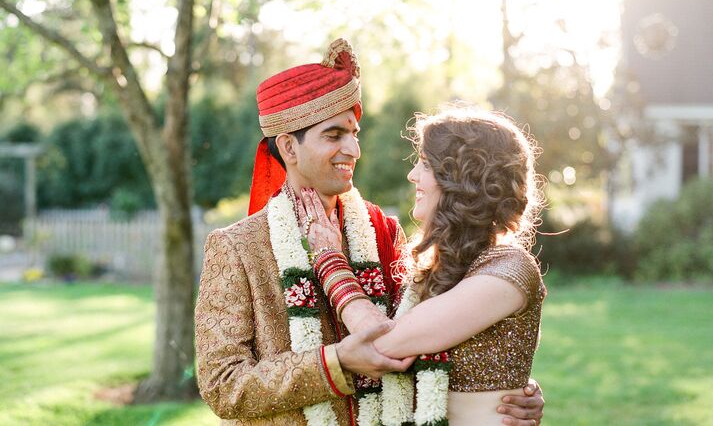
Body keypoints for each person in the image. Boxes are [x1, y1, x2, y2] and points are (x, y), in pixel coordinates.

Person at [194, 39, 544, 425]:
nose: (354, 149)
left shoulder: (383, 230)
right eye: (334, 135)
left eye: (354, 133)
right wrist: (333, 365)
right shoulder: (239, 247)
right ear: (288, 148)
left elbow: (428, 342)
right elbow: (223, 385)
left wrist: (502, 388)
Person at [299, 106, 546, 425]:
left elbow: (383, 344)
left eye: (425, 164)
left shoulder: (510, 268)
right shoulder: (438, 267)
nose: (412, 175)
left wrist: (329, 261)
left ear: (462, 179)